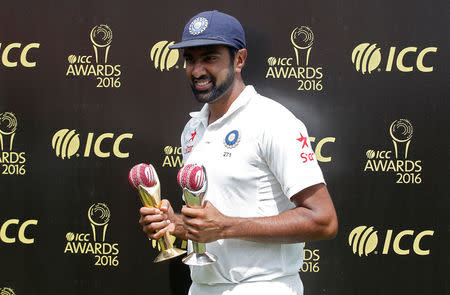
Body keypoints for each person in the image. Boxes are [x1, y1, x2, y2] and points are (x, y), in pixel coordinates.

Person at [139, 10, 338, 295]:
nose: (197, 71)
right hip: (202, 287)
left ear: (240, 59)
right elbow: (211, 227)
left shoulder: (273, 121)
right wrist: (175, 224)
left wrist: (225, 227)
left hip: (263, 287)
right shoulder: (193, 128)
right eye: (190, 60)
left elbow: (323, 220)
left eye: (209, 58)